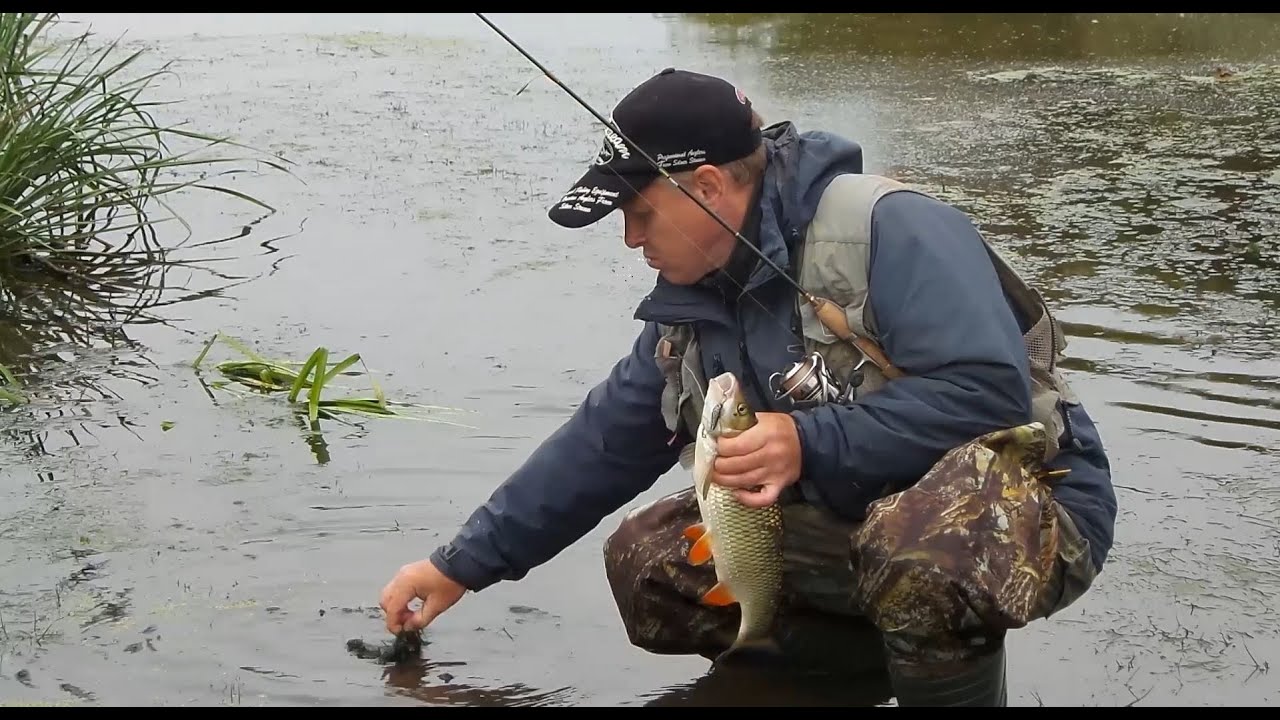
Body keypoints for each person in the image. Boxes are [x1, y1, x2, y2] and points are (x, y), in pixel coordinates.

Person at [379, 67, 1118, 707]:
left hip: (1035, 508)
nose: (631, 239)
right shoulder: (696, 296)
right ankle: (832, 677)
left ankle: (942, 668)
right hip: (866, 522)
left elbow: (990, 395)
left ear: (704, 188)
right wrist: (459, 566)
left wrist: (806, 440)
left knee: (925, 561)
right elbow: (604, 444)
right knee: (651, 563)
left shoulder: (895, 229)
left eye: (639, 214)